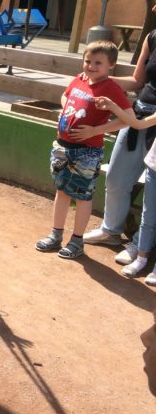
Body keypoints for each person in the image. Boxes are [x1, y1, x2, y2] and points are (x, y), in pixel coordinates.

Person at [35, 40, 133, 259]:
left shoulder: (110, 88)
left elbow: (127, 118)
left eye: (98, 63)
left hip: (86, 152)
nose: (91, 66)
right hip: (62, 147)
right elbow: (66, 95)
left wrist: (95, 130)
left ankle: (77, 241)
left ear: (111, 65)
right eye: (88, 61)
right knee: (61, 191)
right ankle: (56, 235)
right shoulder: (79, 79)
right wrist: (65, 111)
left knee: (82, 196)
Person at [84, 3, 156, 260]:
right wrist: (99, 77)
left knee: (152, 191)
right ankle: (111, 230)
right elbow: (137, 81)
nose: (154, 9)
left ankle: (140, 244)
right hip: (137, 113)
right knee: (116, 178)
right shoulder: (152, 37)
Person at [94, 95, 156, 282]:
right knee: (148, 215)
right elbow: (138, 123)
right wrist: (113, 106)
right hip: (154, 165)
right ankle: (141, 258)